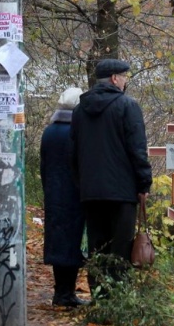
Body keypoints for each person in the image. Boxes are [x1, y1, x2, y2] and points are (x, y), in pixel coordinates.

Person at [69, 59, 152, 290]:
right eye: (124, 77)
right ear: (115, 78)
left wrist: (82, 184)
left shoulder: (79, 110)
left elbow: (73, 153)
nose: (125, 81)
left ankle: (99, 296)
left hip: (91, 192)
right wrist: (144, 184)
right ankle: (118, 297)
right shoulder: (128, 106)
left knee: (97, 246)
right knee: (121, 249)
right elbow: (137, 149)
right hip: (122, 192)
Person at [40, 87, 88, 307]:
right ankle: (66, 294)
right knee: (73, 243)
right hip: (74, 194)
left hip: (54, 194)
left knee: (58, 242)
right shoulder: (77, 132)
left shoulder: (49, 132)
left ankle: (60, 291)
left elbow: (44, 165)